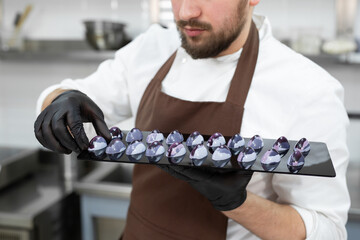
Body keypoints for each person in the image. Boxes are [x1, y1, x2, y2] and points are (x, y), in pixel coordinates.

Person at [34, 0, 350, 239]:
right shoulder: (151, 49)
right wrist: (60, 99)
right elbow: (69, 95)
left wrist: (237, 202)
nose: (185, 12)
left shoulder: (308, 89)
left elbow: (328, 230)